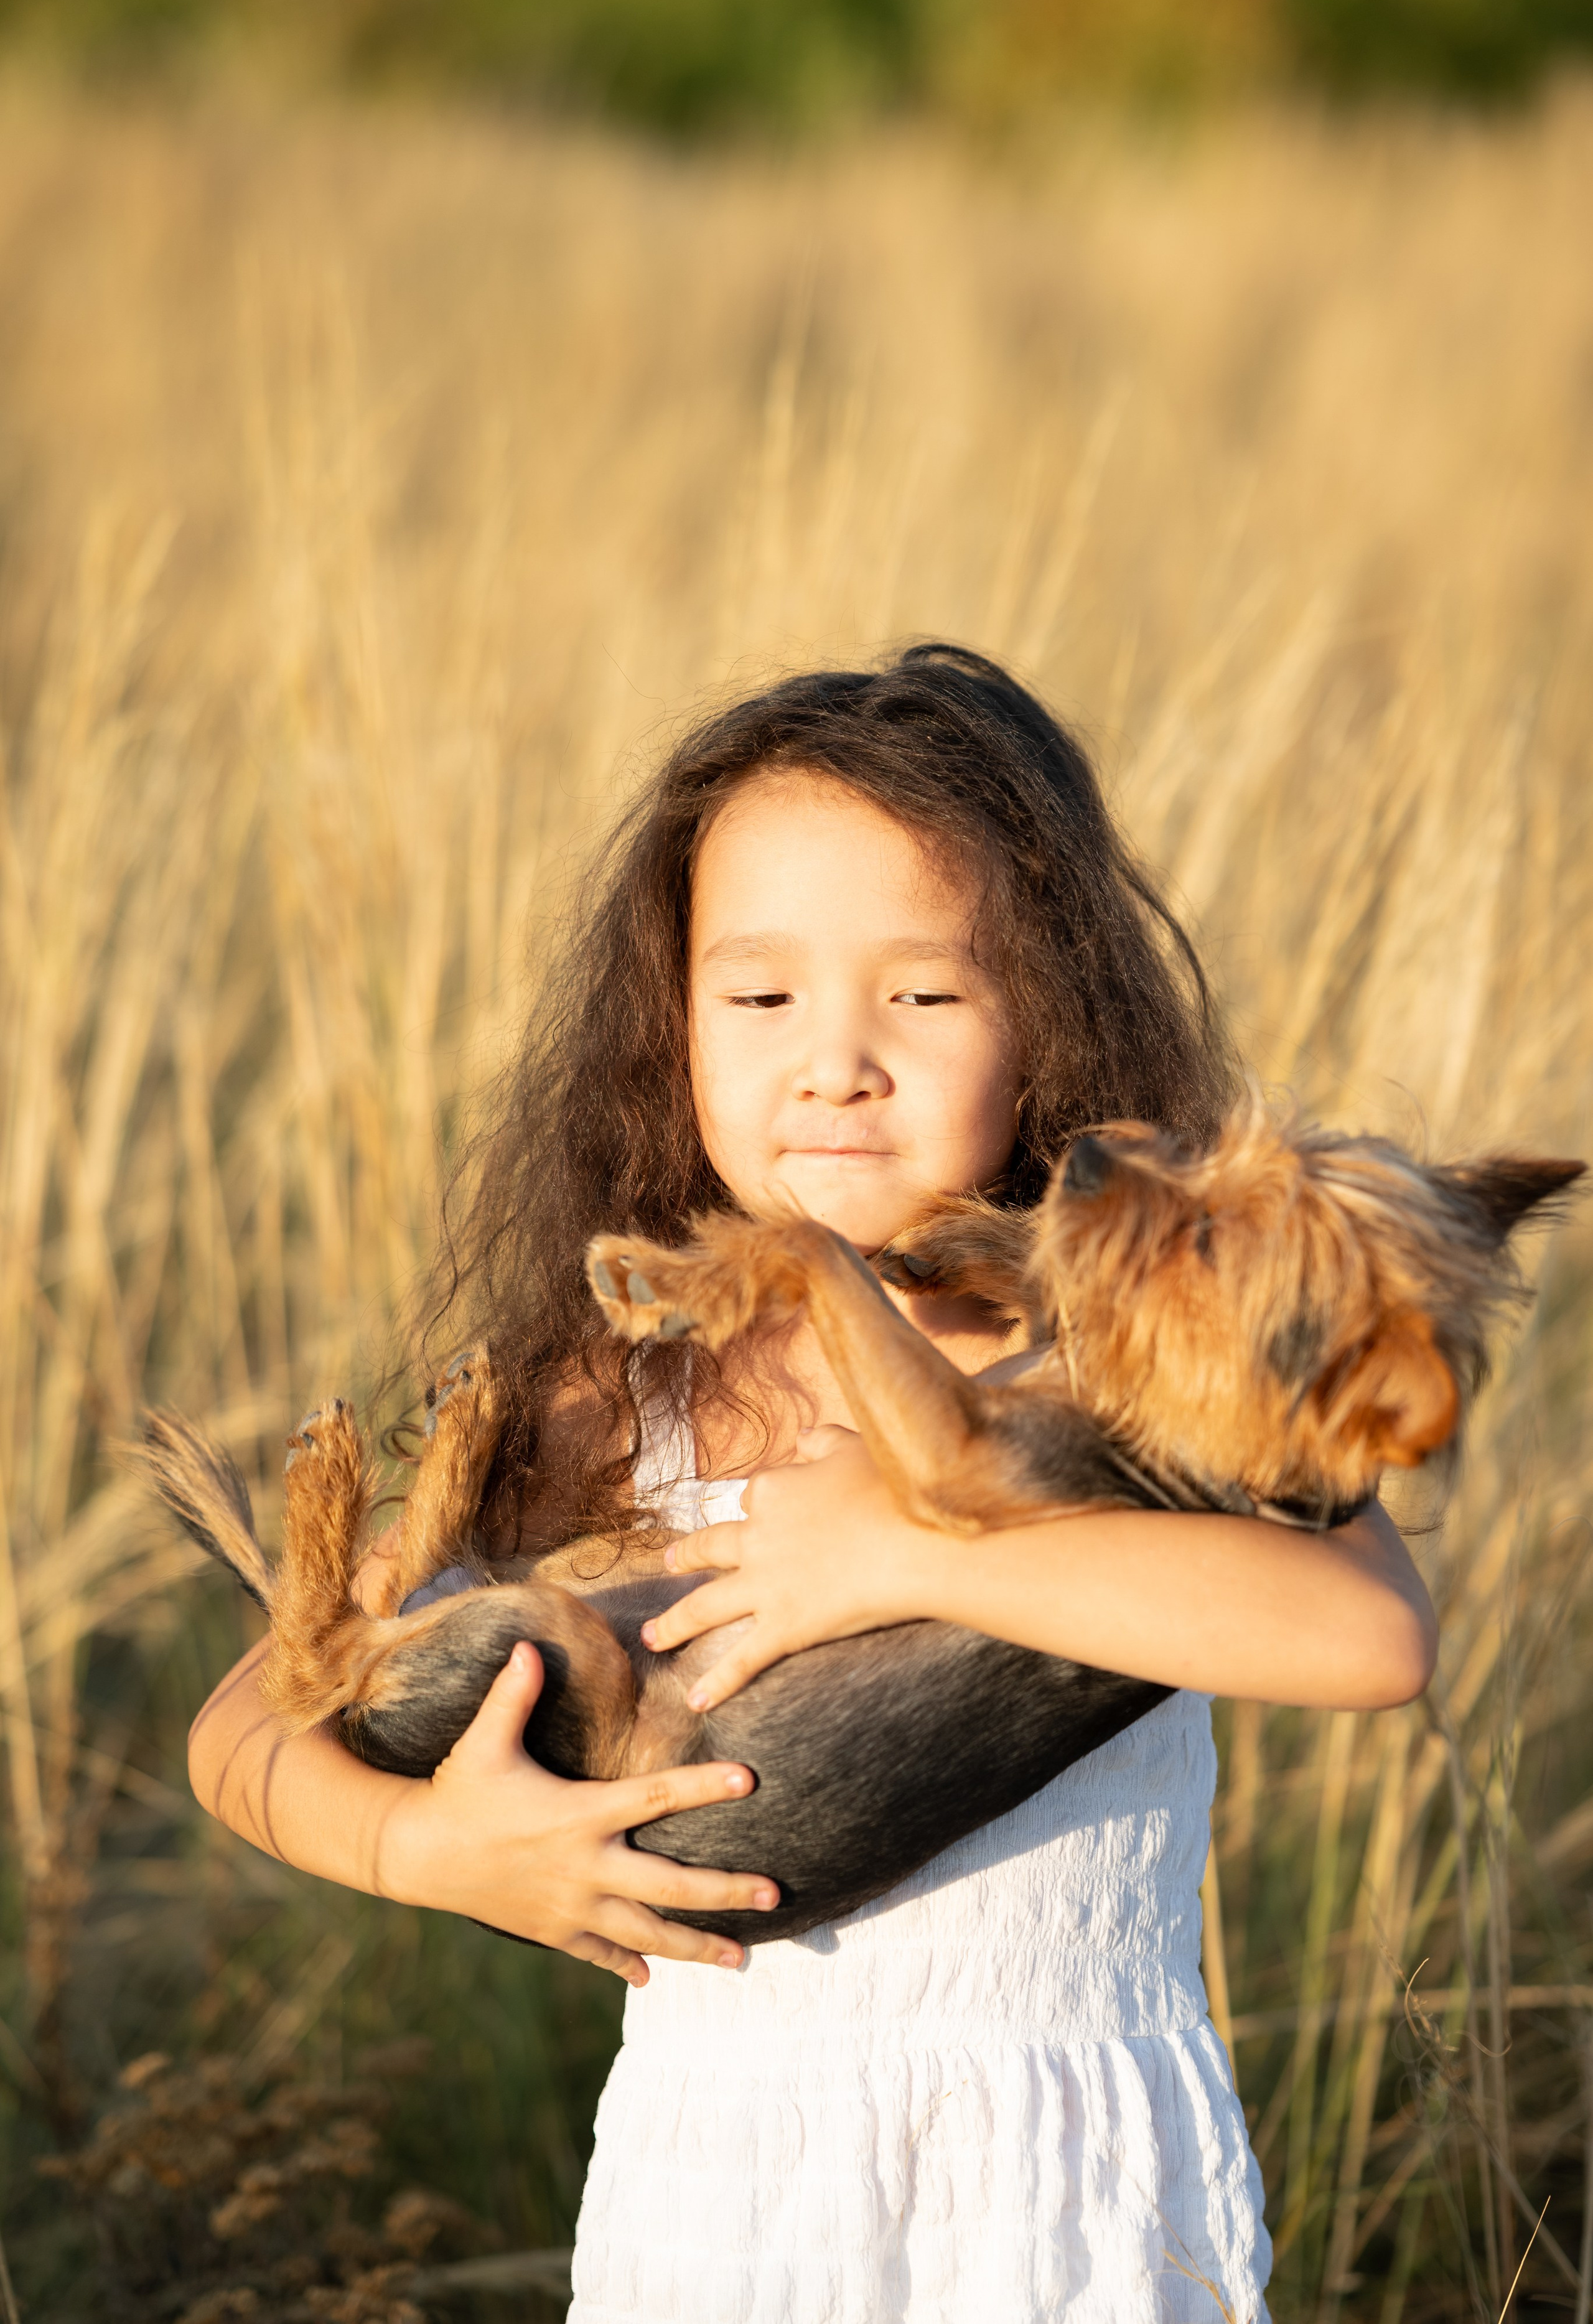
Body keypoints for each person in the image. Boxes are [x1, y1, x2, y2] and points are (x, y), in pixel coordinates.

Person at [189, 646, 1437, 2322]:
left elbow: (1370, 1638)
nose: (837, 1061)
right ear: (673, 1025)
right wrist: (434, 1849)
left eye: (924, 996)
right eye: (760, 996)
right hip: (730, 2198)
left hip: (1059, 2186)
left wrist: (914, 1554)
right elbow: (243, 1729)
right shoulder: (617, 1392)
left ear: (1046, 1017)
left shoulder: (1137, 1352)